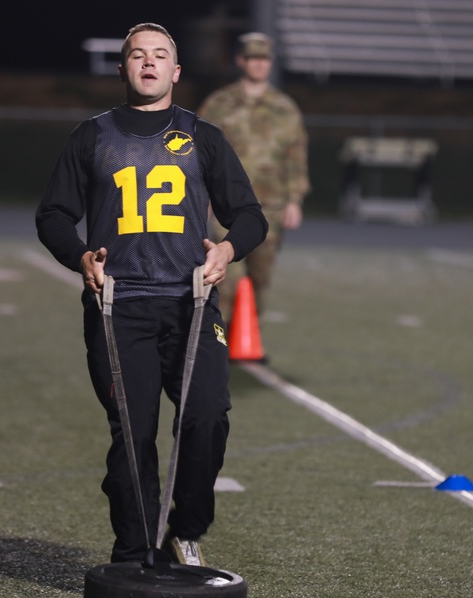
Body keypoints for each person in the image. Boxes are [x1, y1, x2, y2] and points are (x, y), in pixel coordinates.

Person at [35, 22, 268, 566]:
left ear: (175, 71)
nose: (148, 63)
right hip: (120, 307)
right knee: (133, 432)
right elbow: (54, 215)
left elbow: (250, 217)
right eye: (137, 55)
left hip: (191, 302)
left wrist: (226, 251)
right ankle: (134, 551)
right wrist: (80, 257)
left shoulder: (203, 136)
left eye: (160, 55)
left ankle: (185, 530)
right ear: (122, 68)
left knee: (207, 413)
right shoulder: (91, 136)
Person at [197, 32, 309, 321]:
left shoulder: (285, 108)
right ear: (241, 61)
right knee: (225, 278)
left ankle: (247, 339)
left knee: (260, 277)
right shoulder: (219, 104)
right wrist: (202, 196)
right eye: (253, 58)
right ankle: (217, 342)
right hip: (227, 205)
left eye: (264, 59)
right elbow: (199, 151)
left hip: (270, 205)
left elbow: (295, 155)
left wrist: (295, 200)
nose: (259, 65)